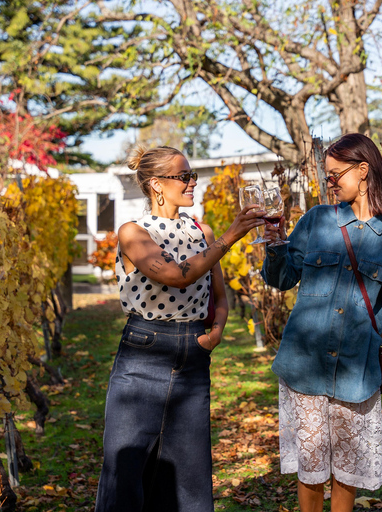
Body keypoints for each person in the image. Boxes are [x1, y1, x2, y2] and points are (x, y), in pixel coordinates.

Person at [261, 133, 382, 512]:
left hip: (356, 372)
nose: (330, 182)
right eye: (327, 175)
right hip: (304, 368)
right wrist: (275, 246)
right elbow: (281, 278)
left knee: (346, 473)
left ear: (363, 170)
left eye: (335, 174)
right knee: (311, 471)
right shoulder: (317, 220)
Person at [95, 145, 264, 512]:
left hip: (193, 355)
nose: (192, 183)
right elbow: (175, 275)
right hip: (144, 354)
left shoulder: (202, 231)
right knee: (125, 474)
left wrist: (216, 331)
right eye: (184, 176)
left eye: (192, 176)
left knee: (190, 479)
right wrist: (231, 235)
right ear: (156, 184)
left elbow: (220, 296)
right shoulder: (133, 232)